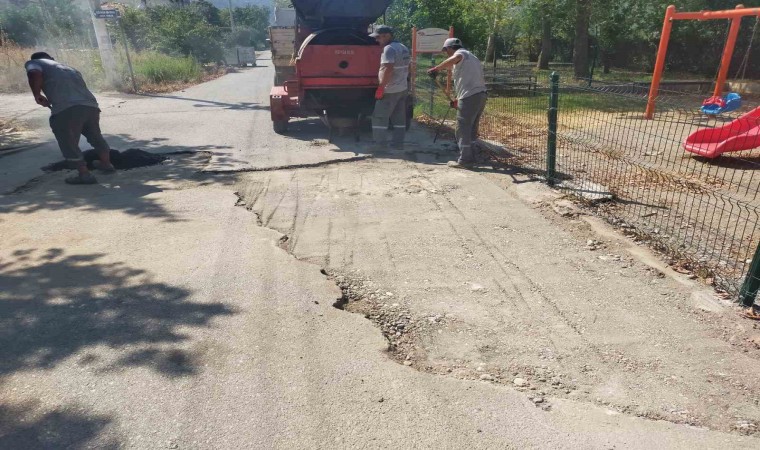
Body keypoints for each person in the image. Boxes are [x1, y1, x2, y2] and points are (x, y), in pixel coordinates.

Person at [25, 52, 115, 185]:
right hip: (91, 105)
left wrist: (37, 94)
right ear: (52, 58)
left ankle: (84, 174)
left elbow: (34, 73)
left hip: (67, 108)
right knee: (95, 136)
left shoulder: (34, 63)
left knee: (68, 141)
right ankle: (106, 164)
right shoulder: (68, 68)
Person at [428, 38, 488, 168]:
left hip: (470, 96)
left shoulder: (461, 54)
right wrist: (458, 99)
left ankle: (465, 160)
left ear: (450, 48)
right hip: (480, 95)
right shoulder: (472, 57)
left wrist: (436, 69)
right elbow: (466, 80)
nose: (446, 53)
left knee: (462, 128)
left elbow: (456, 57)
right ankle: (473, 156)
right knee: (471, 128)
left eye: (446, 50)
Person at [370, 25, 411, 150]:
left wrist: (381, 87)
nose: (377, 40)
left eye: (378, 37)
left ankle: (380, 146)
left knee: (379, 118)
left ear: (386, 36)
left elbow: (387, 68)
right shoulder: (403, 47)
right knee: (399, 119)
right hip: (402, 88)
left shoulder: (389, 49)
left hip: (390, 90)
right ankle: (398, 144)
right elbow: (409, 67)